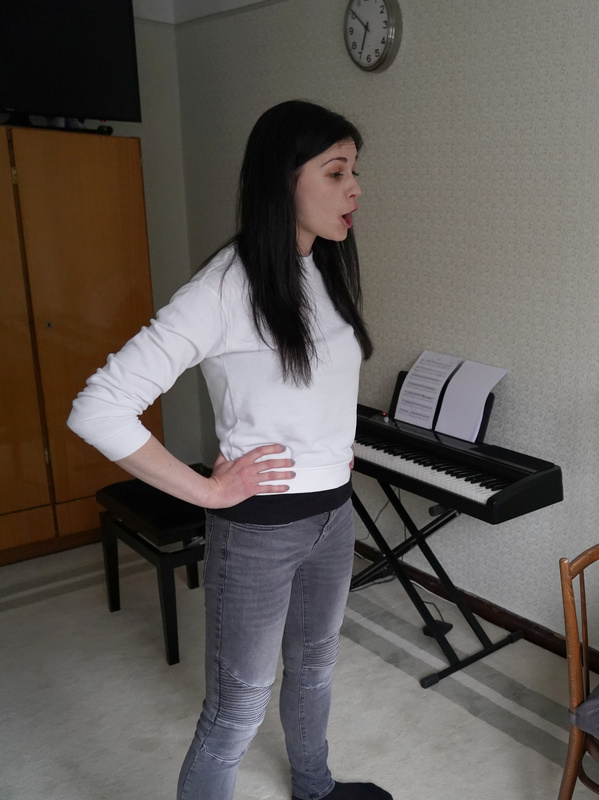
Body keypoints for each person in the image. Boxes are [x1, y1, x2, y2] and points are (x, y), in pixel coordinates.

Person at [68, 100, 391, 800]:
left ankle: (314, 787)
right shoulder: (223, 288)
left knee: (315, 668)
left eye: (355, 171)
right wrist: (208, 492)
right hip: (259, 531)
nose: (355, 189)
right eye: (337, 172)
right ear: (283, 178)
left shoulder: (322, 268)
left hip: (334, 514)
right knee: (237, 707)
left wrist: (333, 451)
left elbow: (316, 386)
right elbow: (99, 407)